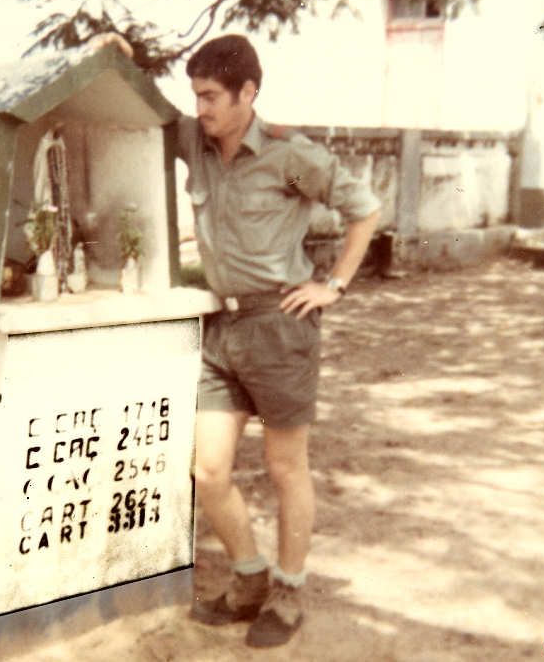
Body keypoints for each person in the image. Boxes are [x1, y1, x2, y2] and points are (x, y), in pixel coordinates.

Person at [93, 32, 380, 648]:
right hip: (220, 328)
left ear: (248, 93)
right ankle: (249, 579)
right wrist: (118, 55)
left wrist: (333, 284)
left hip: (279, 327)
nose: (200, 109)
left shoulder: (288, 156)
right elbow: (146, 109)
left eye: (212, 97)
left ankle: (289, 591)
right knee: (208, 468)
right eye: (196, 96)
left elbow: (365, 209)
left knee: (285, 467)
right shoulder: (194, 140)